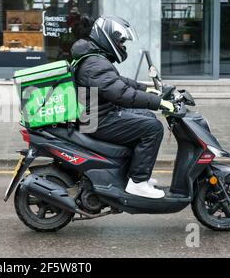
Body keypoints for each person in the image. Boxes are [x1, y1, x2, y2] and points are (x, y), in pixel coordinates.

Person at [72, 16, 175, 199]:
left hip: (97, 114)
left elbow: (119, 82)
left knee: (147, 117)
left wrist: (147, 89)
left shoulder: (95, 58)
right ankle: (138, 182)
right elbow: (121, 94)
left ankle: (132, 175)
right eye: (120, 41)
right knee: (152, 128)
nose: (122, 45)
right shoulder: (95, 63)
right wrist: (158, 103)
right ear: (107, 37)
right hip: (96, 120)